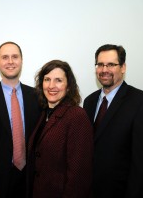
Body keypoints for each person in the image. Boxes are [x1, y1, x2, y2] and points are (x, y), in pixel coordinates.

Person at [83, 44, 143, 198]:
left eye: (111, 64)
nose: (104, 69)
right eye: (100, 64)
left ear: (123, 67)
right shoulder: (89, 101)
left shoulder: (142, 102)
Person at [0, 41, 41, 198]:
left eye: (15, 57)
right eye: (5, 57)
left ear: (21, 60)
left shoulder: (37, 97)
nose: (10, 61)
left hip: (31, 179)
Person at [27, 60, 94, 198]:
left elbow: (79, 175)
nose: (51, 86)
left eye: (58, 80)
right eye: (47, 79)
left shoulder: (76, 116)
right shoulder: (44, 114)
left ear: (68, 86)